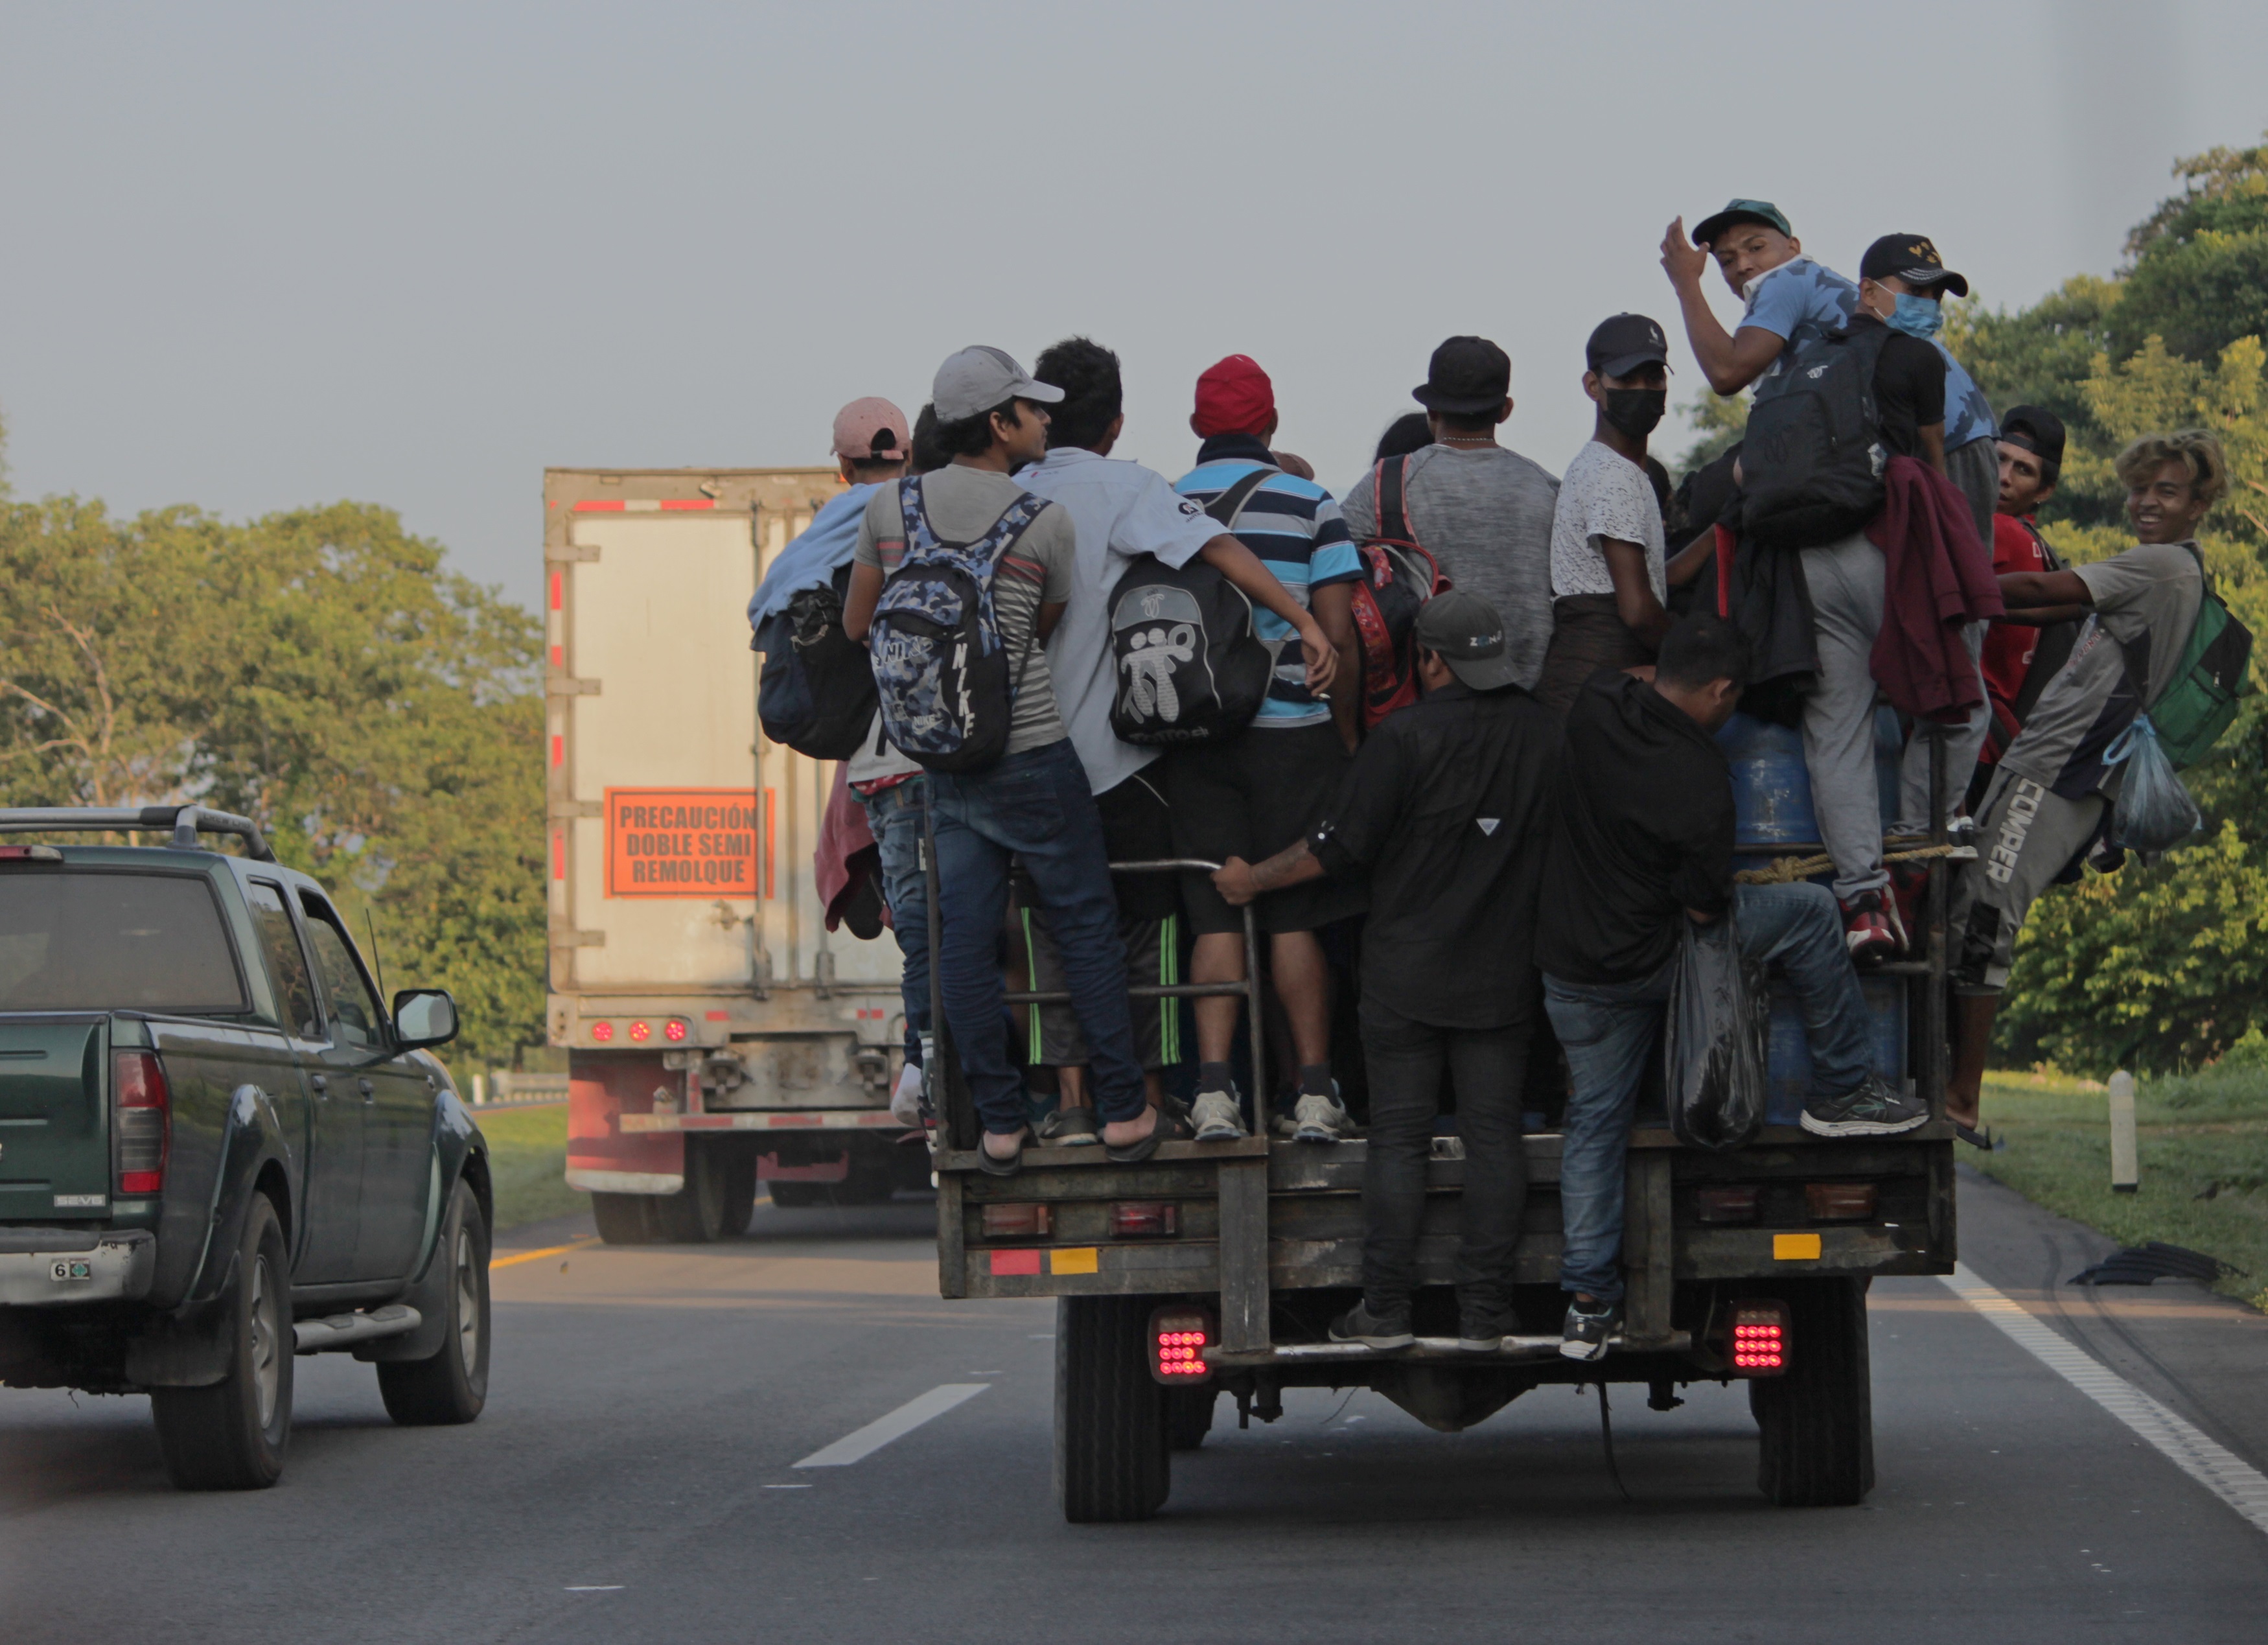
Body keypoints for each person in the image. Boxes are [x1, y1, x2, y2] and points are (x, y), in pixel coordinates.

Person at [1537, 613, 1925, 1360]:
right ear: (1719, 691)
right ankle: (1842, 1088)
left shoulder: (1592, 703)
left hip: (1572, 969)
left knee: (1595, 1123)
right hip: (1656, 958)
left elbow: (1630, 680)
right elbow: (1704, 907)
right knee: (1810, 912)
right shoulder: (1698, 782)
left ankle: (1588, 1302)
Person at [842, 346, 1165, 1174]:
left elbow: (856, 627)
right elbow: (1042, 630)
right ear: (997, 423)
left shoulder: (891, 510)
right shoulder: (1040, 521)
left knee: (965, 942)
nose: (1044, 420)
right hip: (1029, 750)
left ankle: (997, 1124)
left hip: (943, 764)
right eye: (1029, 408)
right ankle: (1123, 1112)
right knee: (1084, 925)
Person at [1212, 591, 1558, 1349]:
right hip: (1504, 976)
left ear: (1428, 660)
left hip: (1404, 976)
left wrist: (1252, 882)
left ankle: (1387, 1312)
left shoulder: (1400, 739)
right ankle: (1486, 1312)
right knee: (1494, 1138)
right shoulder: (1544, 732)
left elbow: (1335, 848)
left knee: (1397, 1140)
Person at [1013, 336, 1338, 1142]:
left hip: (1029, 758)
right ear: (1117, 423)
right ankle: (1178, 1096)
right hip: (1141, 758)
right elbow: (1222, 553)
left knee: (1055, 929)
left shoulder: (1009, 491)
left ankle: (1080, 1100)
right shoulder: (1137, 491)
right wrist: (1300, 623)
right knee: (1166, 927)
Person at [1948, 431, 2226, 1141]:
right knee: (1969, 905)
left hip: (2060, 769)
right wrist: (1979, 602)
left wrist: (1945, 588)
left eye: (2165, 490)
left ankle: (1961, 1099)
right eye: (2138, 488)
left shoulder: (2160, 565)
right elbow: (2052, 609)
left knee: (1985, 913)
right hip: (2054, 764)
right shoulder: (2175, 570)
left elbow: (2046, 587)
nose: (2145, 502)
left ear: (2199, 503)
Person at [1167, 355, 1367, 1143]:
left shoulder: (1164, 503)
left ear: (1195, 429)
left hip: (1193, 736)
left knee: (1214, 915)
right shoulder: (1311, 503)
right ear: (1272, 425)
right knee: (1294, 919)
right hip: (1293, 734)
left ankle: (1215, 1093)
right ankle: (1313, 1093)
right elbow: (1339, 633)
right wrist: (1343, 735)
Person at [749, 397, 929, 1123]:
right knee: (956, 925)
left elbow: (765, 610)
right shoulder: (919, 512)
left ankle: (920, 1070)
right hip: (933, 750)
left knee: (914, 924)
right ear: (910, 456)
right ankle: (933, 1060)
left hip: (871, 764)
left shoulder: (819, 535)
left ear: (842, 466)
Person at [1339, 337, 1560, 690]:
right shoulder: (1548, 489)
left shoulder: (1388, 482)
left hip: (1423, 705)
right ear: (1505, 410)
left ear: (1431, 411)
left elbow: (1330, 567)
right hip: (1530, 702)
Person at [1535, 313, 1714, 714]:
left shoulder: (1621, 468)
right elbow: (1637, 611)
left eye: (1654, 379)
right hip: (1597, 687)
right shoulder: (1612, 474)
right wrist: (1693, 661)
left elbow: (1650, 578)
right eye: (1627, 380)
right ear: (1593, 386)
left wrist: (1720, 534)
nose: (1643, 390)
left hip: (1594, 682)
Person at [1856, 234, 2000, 546]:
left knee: (1959, 564)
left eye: (1936, 296)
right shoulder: (1874, 345)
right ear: (1868, 292)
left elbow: (1932, 444)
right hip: (1957, 451)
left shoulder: (1916, 352)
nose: (1928, 304)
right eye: (1915, 291)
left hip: (1956, 452)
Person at [1660, 199, 1858, 403]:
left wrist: (1686, 283)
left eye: (1756, 248)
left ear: (1793, 248)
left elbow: (1726, 373)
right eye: (1728, 261)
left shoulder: (1787, 279)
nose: (1742, 265)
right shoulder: (1818, 280)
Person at [1972, 406, 2073, 803]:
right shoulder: (2041, 547)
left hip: (1968, 739)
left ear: (2044, 490)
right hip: (1999, 741)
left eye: (2023, 470)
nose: (2003, 478)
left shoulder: (1997, 531)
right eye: (1999, 460)